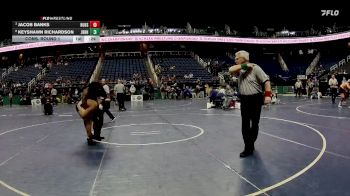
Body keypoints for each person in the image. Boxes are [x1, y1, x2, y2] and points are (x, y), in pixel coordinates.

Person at [229, 50, 272, 158]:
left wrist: (268, 95)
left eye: (237, 58)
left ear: (243, 58)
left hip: (255, 98)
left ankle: (250, 144)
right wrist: (245, 65)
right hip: (244, 99)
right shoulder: (241, 69)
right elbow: (230, 69)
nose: (235, 60)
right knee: (245, 124)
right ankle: (248, 147)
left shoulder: (256, 68)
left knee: (255, 124)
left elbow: (266, 81)